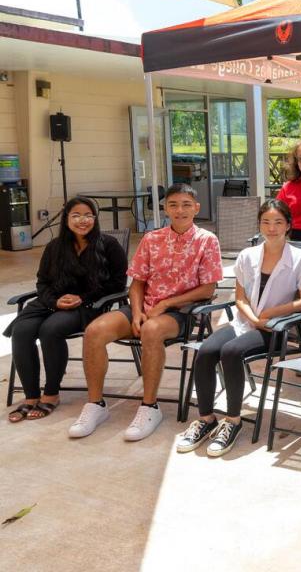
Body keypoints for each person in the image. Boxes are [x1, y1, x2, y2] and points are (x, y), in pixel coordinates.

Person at [68, 183, 223, 441]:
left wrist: (166, 304)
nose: (179, 210)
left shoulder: (207, 240)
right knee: (94, 330)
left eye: (186, 204)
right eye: (173, 204)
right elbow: (137, 282)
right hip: (144, 307)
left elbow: (208, 289)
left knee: (151, 330)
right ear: (164, 208)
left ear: (196, 208)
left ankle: (149, 407)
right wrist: (138, 312)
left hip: (181, 312)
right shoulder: (152, 239)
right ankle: (96, 404)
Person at [176, 200, 301, 456]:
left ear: (288, 225)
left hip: (274, 329)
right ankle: (206, 419)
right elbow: (239, 298)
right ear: (259, 224)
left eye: (278, 222)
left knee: (230, 352)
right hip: (246, 321)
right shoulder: (247, 256)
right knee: (206, 351)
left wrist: (270, 314)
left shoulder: (300, 258)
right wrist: (253, 316)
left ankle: (233, 421)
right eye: (266, 222)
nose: (271, 228)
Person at [5, 197, 127, 422]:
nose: (83, 220)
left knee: (51, 329)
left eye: (88, 215)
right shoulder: (55, 246)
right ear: (66, 219)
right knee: (22, 331)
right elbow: (42, 282)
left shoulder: (108, 244)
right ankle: (31, 397)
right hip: (51, 302)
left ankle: (51, 394)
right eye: (76, 215)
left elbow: (118, 284)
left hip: (90, 305)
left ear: (95, 218)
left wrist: (82, 298)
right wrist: (54, 302)